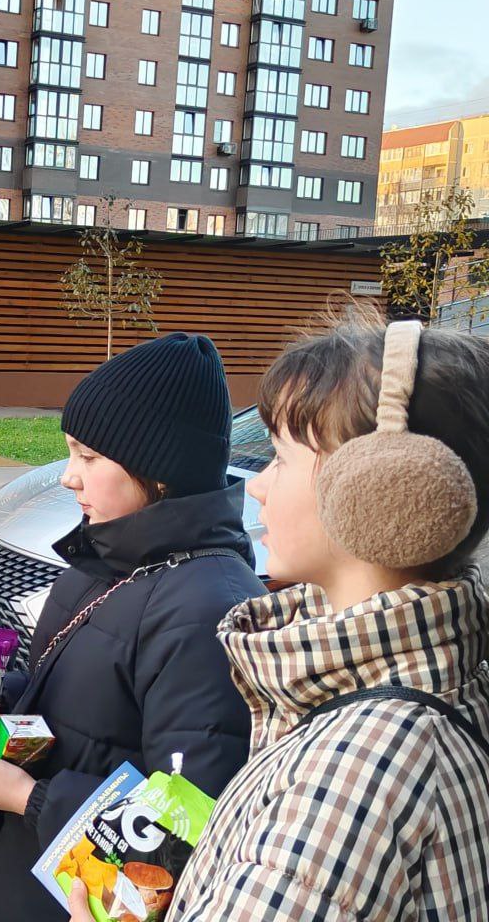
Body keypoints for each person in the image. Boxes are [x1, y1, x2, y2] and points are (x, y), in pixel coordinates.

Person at [66, 314, 489, 922]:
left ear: (382, 489)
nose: (256, 487)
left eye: (281, 459)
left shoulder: (359, 771)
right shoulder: (394, 689)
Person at [0, 333, 264, 921]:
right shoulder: (101, 562)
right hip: (25, 884)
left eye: (89, 456)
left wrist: (27, 797)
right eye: (71, 451)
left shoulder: (208, 608)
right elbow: (71, 711)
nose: (69, 476)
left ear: (159, 471)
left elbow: (188, 826)